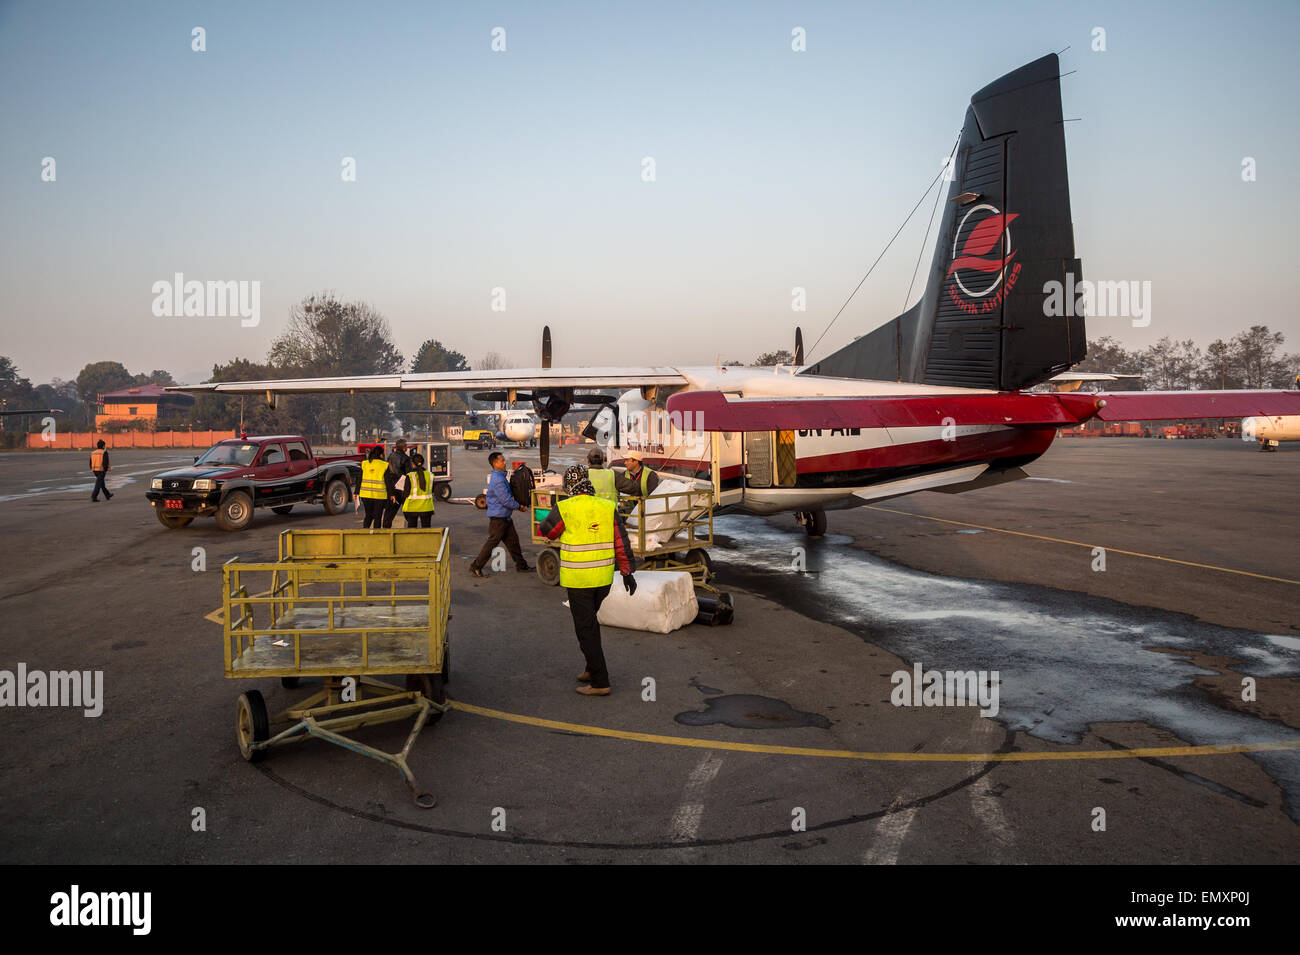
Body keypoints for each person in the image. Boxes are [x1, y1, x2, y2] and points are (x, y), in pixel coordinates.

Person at [540, 466, 636, 696]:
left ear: (568, 484)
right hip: (603, 579)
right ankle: (590, 668)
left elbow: (547, 532)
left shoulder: (564, 507)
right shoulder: (607, 507)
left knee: (586, 630)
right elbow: (621, 543)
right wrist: (627, 572)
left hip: (579, 579)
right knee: (590, 624)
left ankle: (600, 682)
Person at [469, 451, 531, 576]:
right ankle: (476, 566)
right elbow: (505, 500)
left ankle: (522, 566)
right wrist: (519, 507)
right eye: (502, 460)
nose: (505, 462)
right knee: (492, 543)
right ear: (495, 463)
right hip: (498, 519)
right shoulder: (498, 480)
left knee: (513, 543)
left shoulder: (501, 476)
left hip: (505, 517)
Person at [398, 451, 436, 528]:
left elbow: (406, 494)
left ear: (412, 464)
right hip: (427, 508)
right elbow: (432, 490)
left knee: (412, 531)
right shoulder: (430, 475)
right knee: (426, 531)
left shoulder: (410, 476)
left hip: (412, 508)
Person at [357, 445, 391, 529]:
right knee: (377, 517)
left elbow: (359, 478)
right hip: (379, 496)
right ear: (381, 454)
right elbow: (388, 482)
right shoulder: (384, 465)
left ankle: (365, 532)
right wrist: (391, 494)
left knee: (368, 515)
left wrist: (356, 492)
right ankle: (377, 535)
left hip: (365, 495)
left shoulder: (365, 463)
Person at [382, 438, 413, 528]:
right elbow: (409, 474)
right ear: (404, 448)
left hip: (391, 486)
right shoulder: (406, 458)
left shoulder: (390, 456)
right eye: (406, 446)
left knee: (390, 511)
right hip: (402, 487)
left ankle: (385, 529)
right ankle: (412, 527)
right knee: (407, 509)